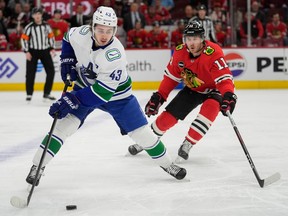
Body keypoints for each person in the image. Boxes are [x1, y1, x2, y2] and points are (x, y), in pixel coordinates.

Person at [25, 6, 187, 187]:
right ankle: (37, 166)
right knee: (62, 128)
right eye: (100, 30)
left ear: (115, 31)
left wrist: (73, 99)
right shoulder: (81, 33)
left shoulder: (115, 55)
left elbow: (102, 93)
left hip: (118, 97)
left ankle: (168, 164)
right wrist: (67, 60)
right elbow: (67, 38)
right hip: (85, 86)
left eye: (109, 31)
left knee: (143, 134)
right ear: (92, 27)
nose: (104, 35)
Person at [128, 21, 237, 163]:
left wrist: (228, 95)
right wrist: (159, 96)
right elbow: (170, 78)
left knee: (208, 111)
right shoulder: (180, 52)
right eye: (188, 39)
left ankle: (188, 143)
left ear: (202, 39)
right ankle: (147, 141)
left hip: (215, 90)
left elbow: (224, 79)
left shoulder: (213, 52)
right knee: (169, 116)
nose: (191, 43)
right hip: (193, 89)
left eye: (195, 39)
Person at [21, 7, 56, 102]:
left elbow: (51, 37)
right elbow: (24, 39)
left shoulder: (46, 26)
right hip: (33, 52)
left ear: (41, 15)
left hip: (45, 51)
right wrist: (26, 51)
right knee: (30, 73)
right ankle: (29, 94)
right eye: (35, 14)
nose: (37, 16)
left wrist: (52, 48)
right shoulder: (29, 27)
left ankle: (46, 93)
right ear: (32, 16)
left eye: (39, 14)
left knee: (51, 72)